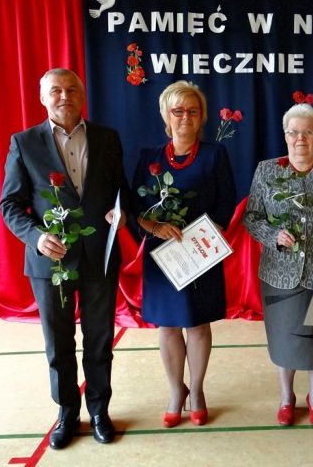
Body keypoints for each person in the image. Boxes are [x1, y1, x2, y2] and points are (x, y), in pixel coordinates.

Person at [0, 68, 129, 449]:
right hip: (49, 262)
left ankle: (100, 410)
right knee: (58, 343)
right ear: (43, 98)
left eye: (71, 89)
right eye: (55, 90)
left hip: (98, 256)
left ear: (82, 96)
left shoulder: (107, 138)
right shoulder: (24, 143)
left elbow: (120, 189)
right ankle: (67, 412)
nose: (64, 96)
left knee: (100, 340)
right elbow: (9, 204)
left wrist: (120, 212)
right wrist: (36, 237)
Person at [132, 81, 236, 428]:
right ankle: (176, 390)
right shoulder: (149, 158)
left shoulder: (214, 154)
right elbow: (134, 207)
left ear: (202, 116)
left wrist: (209, 232)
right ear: (166, 115)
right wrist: (154, 227)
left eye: (193, 111)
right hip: (162, 255)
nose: (185, 117)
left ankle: (198, 391)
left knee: (197, 323)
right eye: (178, 111)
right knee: (168, 326)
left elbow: (226, 202)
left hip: (199, 254)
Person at [243, 102, 313, 427]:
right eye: (294, 132)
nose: (300, 139)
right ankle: (286, 397)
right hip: (278, 274)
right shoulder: (267, 170)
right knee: (283, 340)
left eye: (308, 132)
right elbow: (252, 217)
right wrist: (272, 235)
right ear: (285, 135)